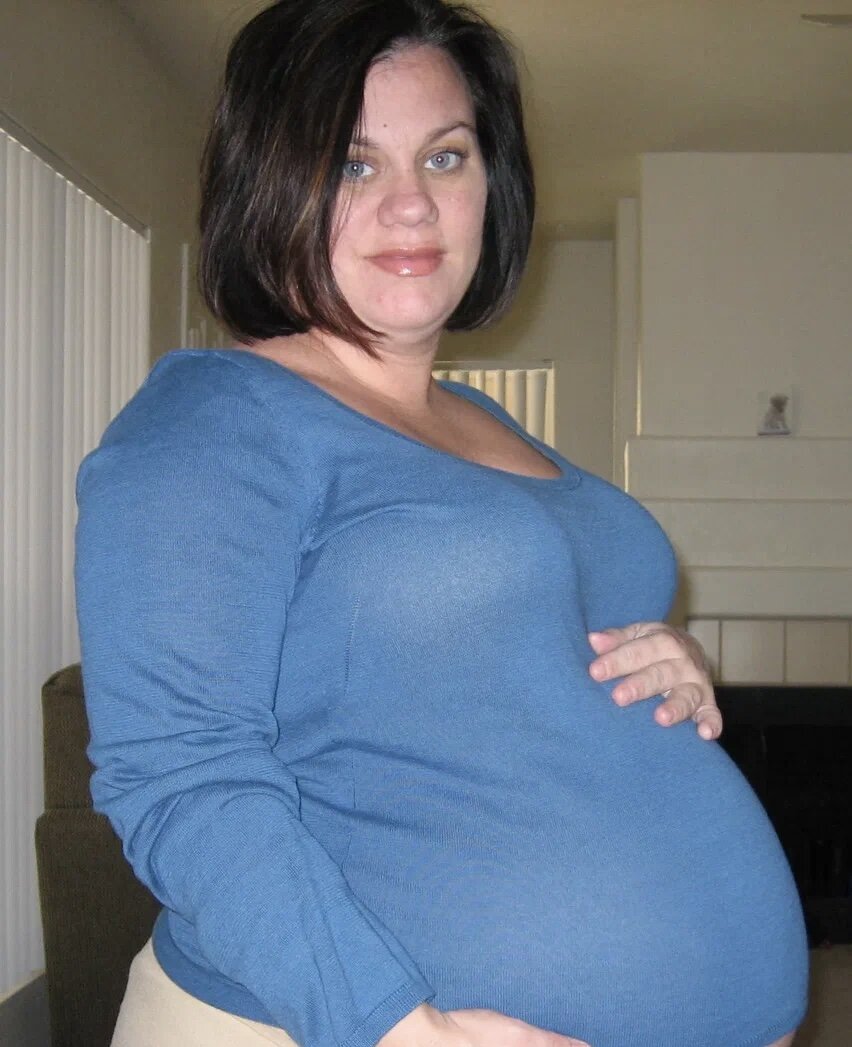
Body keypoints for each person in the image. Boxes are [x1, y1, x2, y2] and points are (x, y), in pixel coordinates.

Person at [74, 2, 808, 1046]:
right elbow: (179, 775)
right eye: (354, 164)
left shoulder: (481, 420)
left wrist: (666, 663)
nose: (413, 203)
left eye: (446, 156)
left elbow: (482, 673)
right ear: (269, 183)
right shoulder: (212, 419)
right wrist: (395, 1028)